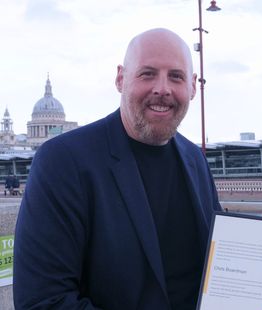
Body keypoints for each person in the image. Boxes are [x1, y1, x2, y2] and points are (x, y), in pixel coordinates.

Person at [14, 28, 222, 309]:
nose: (162, 88)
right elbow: (43, 302)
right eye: (147, 73)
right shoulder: (62, 161)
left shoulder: (194, 159)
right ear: (121, 79)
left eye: (176, 76)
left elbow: (217, 266)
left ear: (194, 86)